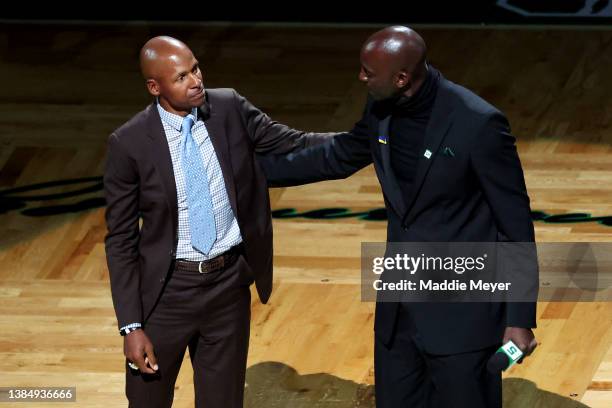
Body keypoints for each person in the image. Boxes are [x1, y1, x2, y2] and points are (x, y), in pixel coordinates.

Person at [259, 26, 538, 407]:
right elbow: (340, 154)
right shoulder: (381, 106)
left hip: (462, 319)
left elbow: (515, 225)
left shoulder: (478, 123)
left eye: (367, 72)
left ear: (402, 77)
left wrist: (520, 318)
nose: (360, 78)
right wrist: (250, 173)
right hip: (399, 314)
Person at [103, 36, 332, 407]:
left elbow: (293, 142)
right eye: (181, 77)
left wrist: (362, 142)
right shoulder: (129, 143)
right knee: (147, 401)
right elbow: (121, 241)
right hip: (166, 296)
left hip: (227, 288)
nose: (195, 81)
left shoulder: (228, 108)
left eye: (195, 68)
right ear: (154, 87)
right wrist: (131, 326)